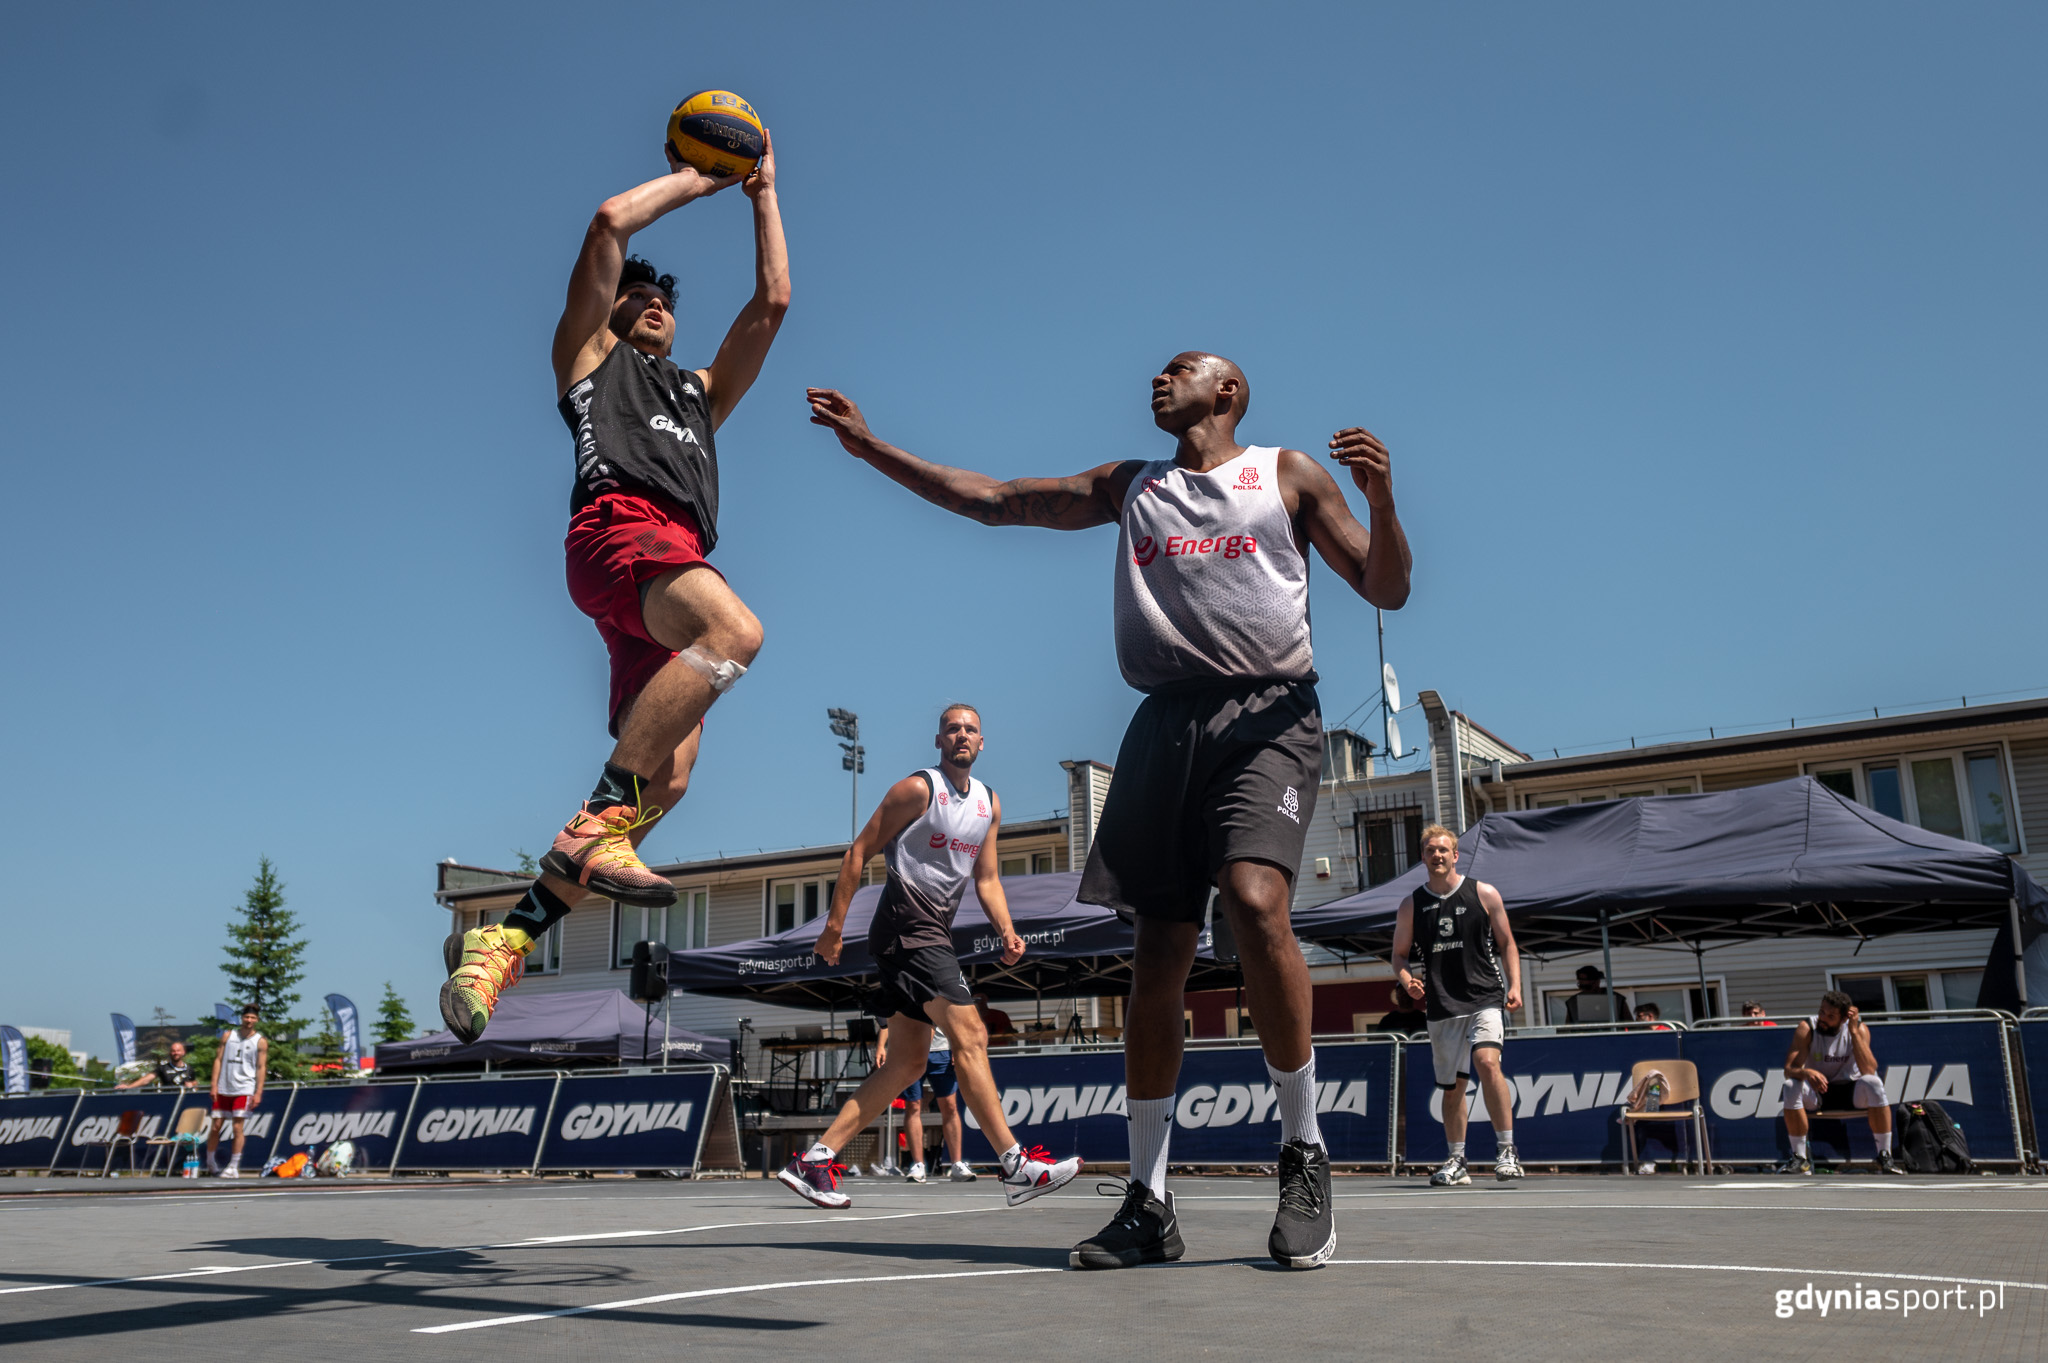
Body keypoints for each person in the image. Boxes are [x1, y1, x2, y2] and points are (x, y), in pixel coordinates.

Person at [808, 353, 1410, 1272]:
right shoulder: (1136, 486)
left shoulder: (1284, 474)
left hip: (1269, 714)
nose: (1158, 381)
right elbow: (995, 499)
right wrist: (870, 448)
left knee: (1254, 900)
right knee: (1159, 950)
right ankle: (1151, 1199)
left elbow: (1387, 586)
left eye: (1181, 371)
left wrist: (1385, 501)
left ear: (1229, 392)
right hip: (1165, 722)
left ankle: (1303, 1149)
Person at [439, 127, 791, 1044]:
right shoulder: (590, 363)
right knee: (737, 634)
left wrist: (762, 195)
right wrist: (698, 178)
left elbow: (773, 301)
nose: (651, 308)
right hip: (617, 531)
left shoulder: (699, 395)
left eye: (661, 303)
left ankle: (503, 944)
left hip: (662, 565)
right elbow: (605, 223)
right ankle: (594, 820)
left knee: (666, 776)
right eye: (634, 297)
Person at [778, 705, 1082, 1210]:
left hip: (932, 932)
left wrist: (1006, 930)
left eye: (971, 729)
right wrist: (833, 928)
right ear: (939, 741)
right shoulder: (919, 790)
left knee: (908, 1063)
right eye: (952, 729)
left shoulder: (988, 803)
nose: (962, 735)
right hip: (906, 928)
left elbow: (985, 877)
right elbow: (858, 852)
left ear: (982, 743)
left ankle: (814, 1159)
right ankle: (1015, 1165)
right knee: (972, 1033)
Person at [1390, 825, 1523, 1188]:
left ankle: (1507, 1151)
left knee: (1487, 1062)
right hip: (1443, 1005)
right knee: (1452, 1087)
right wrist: (1407, 981)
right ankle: (1456, 1159)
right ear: (1423, 857)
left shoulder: (1483, 893)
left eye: (1444, 850)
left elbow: (1508, 943)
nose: (1438, 855)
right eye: (1431, 850)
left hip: (1485, 997)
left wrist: (1516, 986)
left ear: (1455, 855)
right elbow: (1398, 957)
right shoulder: (1411, 905)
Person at [1775, 991, 1901, 1175]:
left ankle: (1885, 1156)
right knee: (1790, 1085)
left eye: (1831, 1016)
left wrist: (1853, 1032)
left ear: (1843, 1019)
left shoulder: (1859, 1029)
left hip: (1850, 1091)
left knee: (1874, 1082)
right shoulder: (1807, 1028)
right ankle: (1800, 1159)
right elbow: (1789, 1070)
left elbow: (1868, 1070)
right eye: (1822, 1012)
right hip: (1818, 1092)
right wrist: (1806, 1072)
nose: (1823, 1018)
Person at [876, 1020, 974, 1182]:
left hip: (943, 1050)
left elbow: (955, 1015)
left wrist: (958, 1045)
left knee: (949, 1106)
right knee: (913, 1106)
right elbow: (889, 1018)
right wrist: (881, 1046)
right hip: (910, 1050)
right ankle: (918, 1164)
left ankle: (956, 1164)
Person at [206, 1006, 267, 1177]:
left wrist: (258, 1092)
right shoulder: (229, 1035)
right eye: (246, 1017)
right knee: (216, 1126)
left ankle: (233, 1166)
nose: (249, 1020)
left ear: (257, 1020)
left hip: (244, 1087)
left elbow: (261, 1067)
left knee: (237, 1127)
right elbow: (218, 1059)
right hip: (225, 1085)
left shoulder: (259, 1041)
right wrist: (214, 1084)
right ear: (242, 1018)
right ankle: (210, 1162)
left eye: (252, 1018)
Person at [117, 1041, 193, 1091]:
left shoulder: (189, 1069)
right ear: (170, 1053)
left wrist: (192, 1084)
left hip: (184, 1101)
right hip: (168, 1100)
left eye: (178, 1051)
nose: (175, 1053)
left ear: (183, 1052)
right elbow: (146, 1079)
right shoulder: (163, 1068)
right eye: (173, 1051)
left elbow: (194, 1082)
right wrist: (129, 1087)